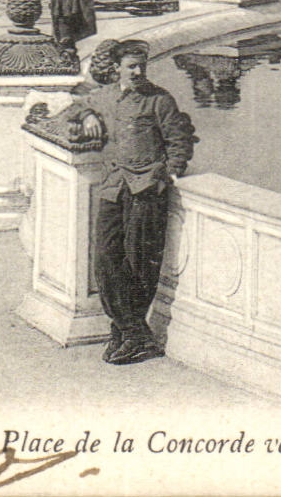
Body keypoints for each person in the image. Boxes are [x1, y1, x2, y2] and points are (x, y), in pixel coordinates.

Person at [59, 40, 196, 365]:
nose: (137, 72)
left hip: (146, 190)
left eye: (141, 66)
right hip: (113, 187)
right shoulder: (105, 97)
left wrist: (169, 173)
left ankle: (127, 333)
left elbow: (180, 140)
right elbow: (72, 108)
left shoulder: (159, 100)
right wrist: (89, 113)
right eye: (131, 66)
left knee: (140, 264)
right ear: (117, 68)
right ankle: (133, 332)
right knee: (105, 262)